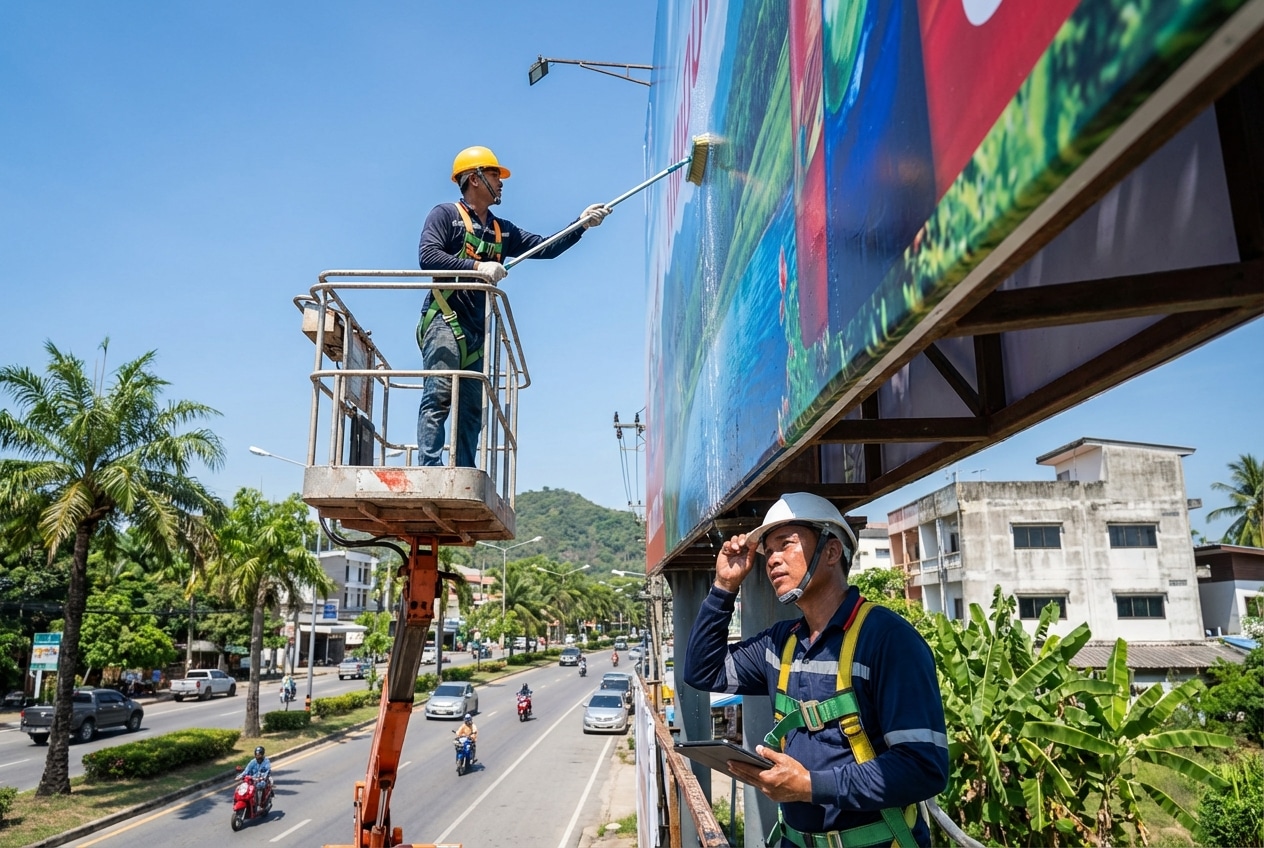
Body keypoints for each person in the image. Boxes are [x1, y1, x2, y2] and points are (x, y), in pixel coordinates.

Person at [683, 492, 949, 848]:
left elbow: (923, 768)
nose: (772, 559)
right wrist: (724, 587)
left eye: (786, 544)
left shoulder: (888, 640)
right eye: (768, 551)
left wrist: (810, 786)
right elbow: (703, 671)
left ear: (831, 551)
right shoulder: (781, 644)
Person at [416, 145, 611, 467]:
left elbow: (545, 247)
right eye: (495, 175)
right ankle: (429, 467)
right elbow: (428, 256)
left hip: (477, 331)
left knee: (472, 407)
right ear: (474, 178)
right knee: (439, 393)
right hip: (445, 319)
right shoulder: (445, 216)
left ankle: (463, 469)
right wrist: (477, 267)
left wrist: (581, 225)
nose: (501, 182)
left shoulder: (501, 230)